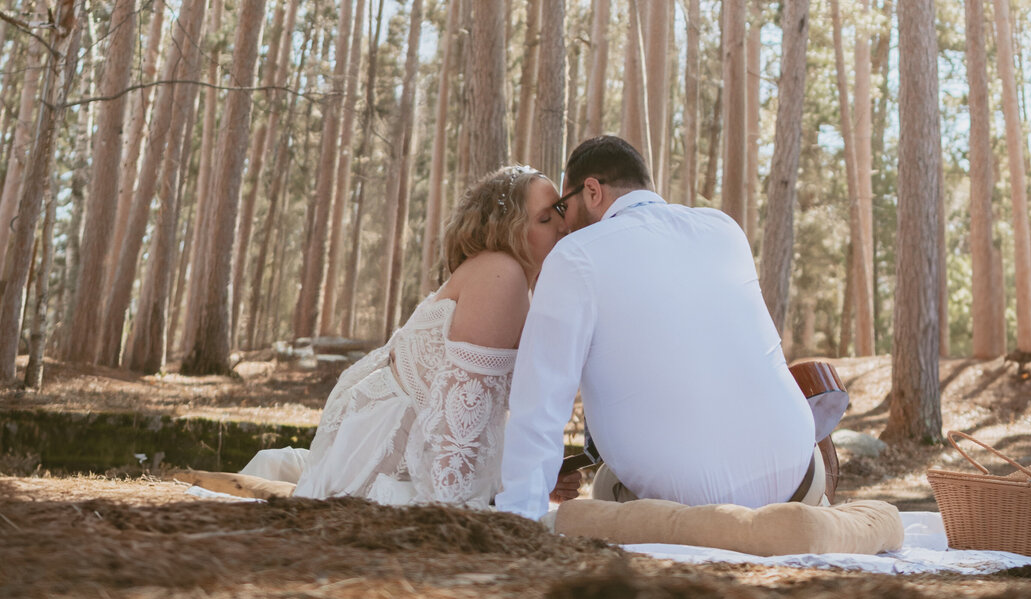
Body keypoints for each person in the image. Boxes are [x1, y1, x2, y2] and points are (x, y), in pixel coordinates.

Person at [495, 135, 819, 521]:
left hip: (691, 511)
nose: (562, 223)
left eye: (563, 207)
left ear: (593, 191)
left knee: (604, 487)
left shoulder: (575, 257)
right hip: (801, 482)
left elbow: (541, 406)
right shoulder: (723, 229)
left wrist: (519, 519)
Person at [242, 164, 567, 506]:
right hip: (388, 461)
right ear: (508, 231)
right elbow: (456, 445)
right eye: (545, 219)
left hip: (409, 448)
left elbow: (473, 422)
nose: (563, 226)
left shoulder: (507, 279)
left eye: (560, 211)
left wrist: (537, 474)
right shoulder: (501, 275)